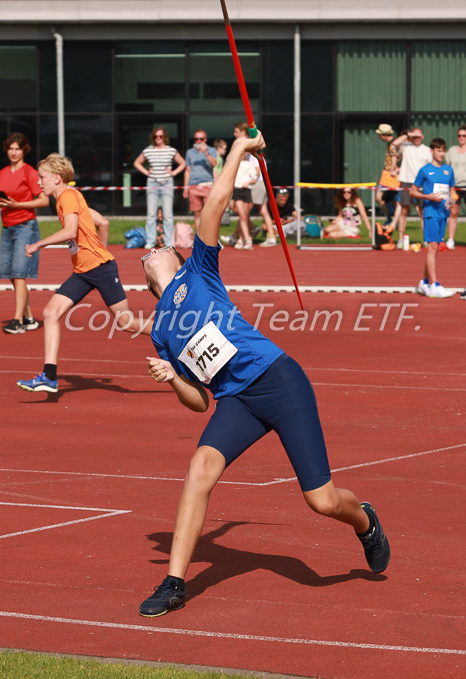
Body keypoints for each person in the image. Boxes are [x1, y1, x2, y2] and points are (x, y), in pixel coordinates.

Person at [138, 131, 390, 618]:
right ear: (147, 278)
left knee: (320, 501)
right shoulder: (160, 333)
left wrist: (239, 150)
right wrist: (172, 378)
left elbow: (215, 203)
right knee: (198, 473)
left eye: (160, 245)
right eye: (148, 251)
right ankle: (173, 582)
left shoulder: (198, 272)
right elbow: (200, 403)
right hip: (236, 401)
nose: (154, 249)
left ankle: (365, 522)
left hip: (277, 379)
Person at [16, 153, 152, 394]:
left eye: (42, 177)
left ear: (57, 179)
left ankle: (173, 333)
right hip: (83, 271)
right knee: (50, 312)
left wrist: (38, 244)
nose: (39, 182)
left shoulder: (68, 196)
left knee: (125, 322)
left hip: (99, 268)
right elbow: (104, 222)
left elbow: (70, 232)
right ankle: (49, 376)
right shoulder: (70, 197)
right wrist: (100, 250)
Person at [0, 133, 50, 334]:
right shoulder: (2, 173)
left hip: (25, 226)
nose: (13, 152)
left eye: (17, 148)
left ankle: (17, 320)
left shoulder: (29, 172)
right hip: (7, 226)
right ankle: (29, 317)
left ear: (24, 150)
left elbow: (44, 200)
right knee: (12, 275)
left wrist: (17, 204)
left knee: (19, 275)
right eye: (10, 148)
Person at [410, 138, 456, 298]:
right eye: (439, 150)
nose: (441, 153)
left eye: (443, 150)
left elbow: (452, 191)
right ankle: (434, 285)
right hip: (430, 213)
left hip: (443, 213)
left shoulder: (448, 170)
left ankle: (423, 282)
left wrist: (452, 200)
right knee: (432, 248)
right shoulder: (424, 170)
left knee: (434, 250)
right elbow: (412, 191)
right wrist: (428, 196)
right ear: (432, 151)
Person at [133, 126, 185, 250]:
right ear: (153, 137)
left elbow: (183, 163)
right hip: (152, 182)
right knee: (151, 214)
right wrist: (146, 172)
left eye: (161, 136)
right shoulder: (148, 150)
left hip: (167, 182)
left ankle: (168, 241)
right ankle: (150, 241)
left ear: (164, 137)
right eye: (156, 136)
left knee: (167, 214)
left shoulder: (170, 150)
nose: (158, 139)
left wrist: (173, 172)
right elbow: (136, 163)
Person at [392, 128, 431, 248]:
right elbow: (394, 144)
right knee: (404, 210)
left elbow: (430, 167)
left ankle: (426, 239)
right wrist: (409, 135)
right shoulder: (406, 146)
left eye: (419, 136)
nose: (416, 138)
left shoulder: (427, 150)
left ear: (423, 137)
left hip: (421, 184)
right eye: (415, 137)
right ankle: (401, 238)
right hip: (406, 182)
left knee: (422, 212)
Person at [444, 124, 466, 250]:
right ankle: (451, 239)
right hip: (455, 186)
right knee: (453, 212)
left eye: (464, 135)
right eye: (459, 136)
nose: (461, 138)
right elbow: (447, 168)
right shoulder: (452, 150)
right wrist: (449, 184)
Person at [183, 130, 217, 230]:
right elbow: (187, 170)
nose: (198, 141)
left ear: (205, 139)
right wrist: (186, 188)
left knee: (209, 213)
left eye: (201, 139)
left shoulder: (211, 150)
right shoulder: (189, 152)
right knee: (197, 213)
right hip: (193, 185)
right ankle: (199, 238)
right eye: (196, 139)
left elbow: (214, 164)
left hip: (208, 185)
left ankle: (210, 239)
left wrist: (205, 152)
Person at [374, 124, 401, 226]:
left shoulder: (393, 145)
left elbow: (394, 160)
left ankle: (390, 219)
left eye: (380, 135)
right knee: (392, 200)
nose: (379, 137)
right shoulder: (392, 144)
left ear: (384, 135)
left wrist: (393, 171)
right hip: (388, 175)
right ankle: (394, 221)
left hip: (389, 176)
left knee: (379, 197)